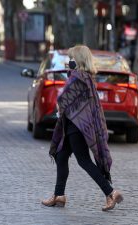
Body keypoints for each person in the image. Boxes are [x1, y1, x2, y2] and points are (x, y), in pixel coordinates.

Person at [41, 45, 123, 211]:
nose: (68, 61)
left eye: (71, 58)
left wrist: (59, 107)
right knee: (61, 155)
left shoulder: (77, 77)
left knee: (84, 161)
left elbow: (63, 99)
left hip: (76, 125)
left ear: (77, 60)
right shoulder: (88, 77)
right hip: (79, 124)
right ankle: (59, 195)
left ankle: (111, 192)